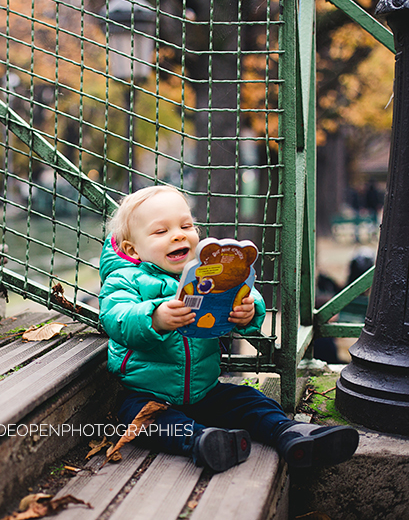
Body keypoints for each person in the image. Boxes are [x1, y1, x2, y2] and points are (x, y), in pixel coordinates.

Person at [99, 185, 359, 472]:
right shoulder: (125, 280)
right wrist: (154, 317)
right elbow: (117, 317)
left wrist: (247, 310)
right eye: (161, 232)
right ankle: (202, 441)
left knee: (248, 400)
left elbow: (240, 289)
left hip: (205, 391)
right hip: (147, 395)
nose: (178, 234)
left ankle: (290, 433)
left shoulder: (206, 270)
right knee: (144, 420)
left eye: (186, 225)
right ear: (131, 248)